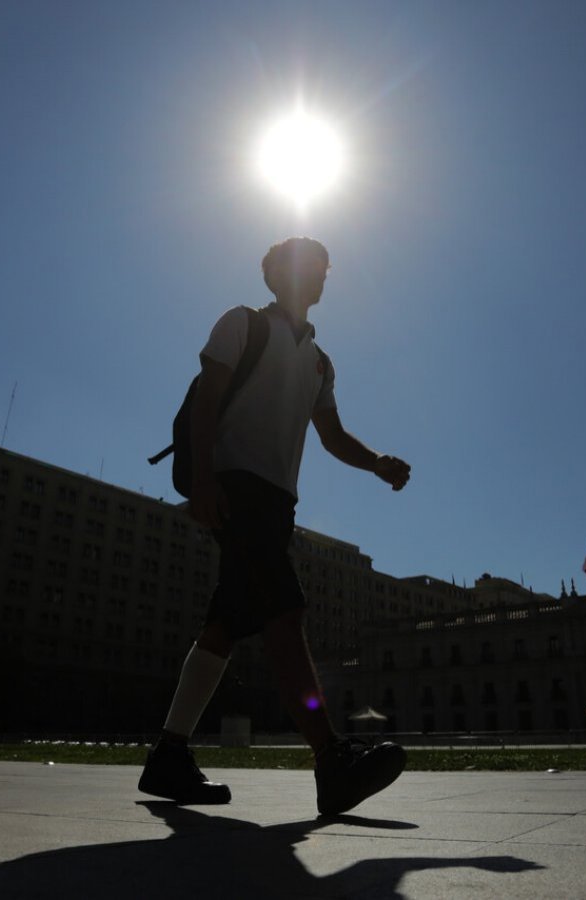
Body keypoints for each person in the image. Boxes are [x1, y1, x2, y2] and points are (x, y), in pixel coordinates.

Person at [138, 237, 413, 817]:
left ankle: (168, 756)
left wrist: (378, 462)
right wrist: (207, 482)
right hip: (235, 488)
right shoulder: (241, 324)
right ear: (275, 275)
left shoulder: (320, 360)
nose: (318, 277)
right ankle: (331, 759)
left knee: (225, 624)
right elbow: (209, 400)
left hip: (277, 502)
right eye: (307, 267)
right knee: (285, 612)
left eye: (323, 270)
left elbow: (332, 434)